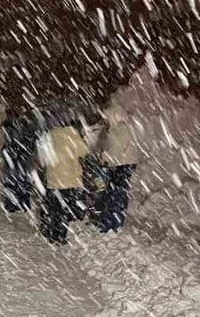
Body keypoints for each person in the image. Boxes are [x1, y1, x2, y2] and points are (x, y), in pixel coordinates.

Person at [38, 116, 90, 245]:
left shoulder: (48, 136)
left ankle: (49, 231)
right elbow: (84, 151)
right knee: (64, 209)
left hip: (53, 180)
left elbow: (43, 159)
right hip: (69, 180)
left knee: (52, 207)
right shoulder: (72, 134)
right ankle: (60, 236)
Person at [95, 102, 138, 232]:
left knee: (115, 194)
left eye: (108, 117)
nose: (107, 119)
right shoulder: (124, 127)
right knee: (118, 193)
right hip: (123, 164)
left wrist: (104, 159)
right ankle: (115, 221)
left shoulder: (120, 129)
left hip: (122, 165)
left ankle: (112, 223)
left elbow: (115, 149)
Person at [0, 110, 41, 212]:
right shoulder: (28, 125)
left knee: (13, 180)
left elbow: (7, 142)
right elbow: (33, 139)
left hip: (14, 156)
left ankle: (13, 204)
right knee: (23, 180)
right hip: (23, 156)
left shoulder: (9, 126)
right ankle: (23, 203)